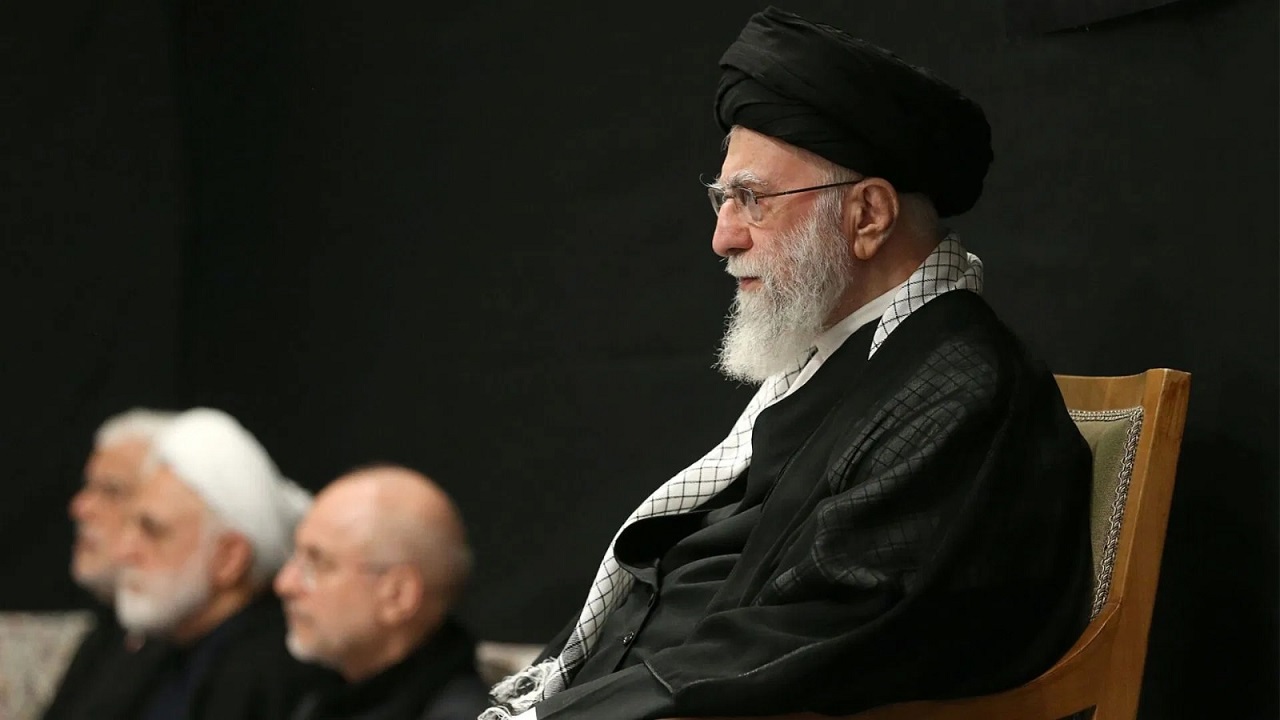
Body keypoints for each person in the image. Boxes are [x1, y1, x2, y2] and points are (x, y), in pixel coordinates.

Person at [482, 7, 1093, 720]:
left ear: (868, 215)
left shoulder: (962, 388)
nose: (723, 237)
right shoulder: (843, 361)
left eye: (752, 200)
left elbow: (820, 637)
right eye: (722, 198)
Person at [111, 407, 331, 720]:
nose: (123, 552)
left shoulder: (263, 675)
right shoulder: (159, 650)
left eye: (153, 531)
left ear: (229, 558)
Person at [276, 464, 490, 720]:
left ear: (398, 595)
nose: (285, 583)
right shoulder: (331, 695)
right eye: (296, 557)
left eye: (318, 563)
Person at [42, 409, 176, 720]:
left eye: (111, 491)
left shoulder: (181, 650)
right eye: (88, 486)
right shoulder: (110, 632)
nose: (80, 507)